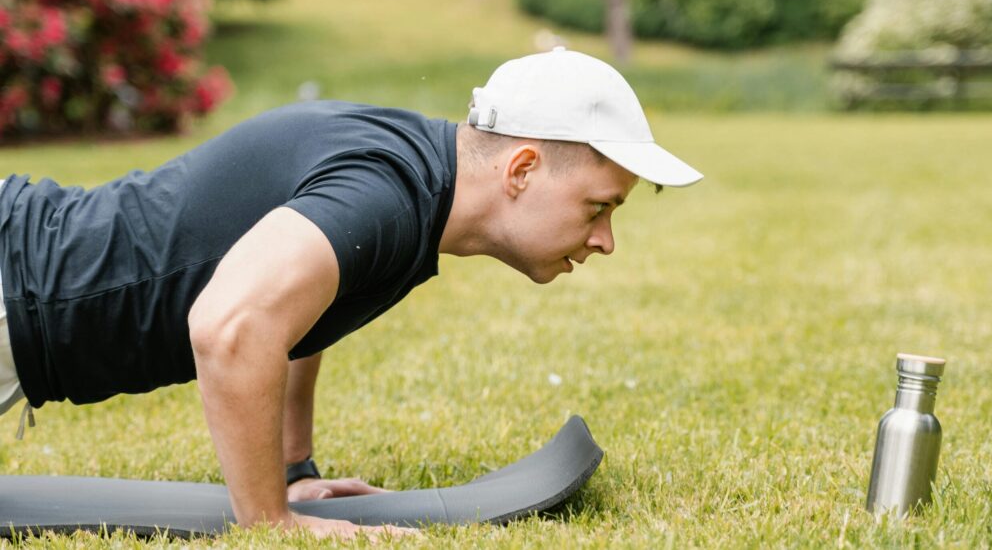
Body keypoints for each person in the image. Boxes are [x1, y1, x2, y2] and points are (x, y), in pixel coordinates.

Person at [0, 47, 702, 539]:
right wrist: (269, 520)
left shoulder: (411, 174)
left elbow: (300, 309)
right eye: (595, 207)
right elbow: (231, 324)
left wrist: (293, 469)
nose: (605, 238)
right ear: (521, 168)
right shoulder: (391, 193)